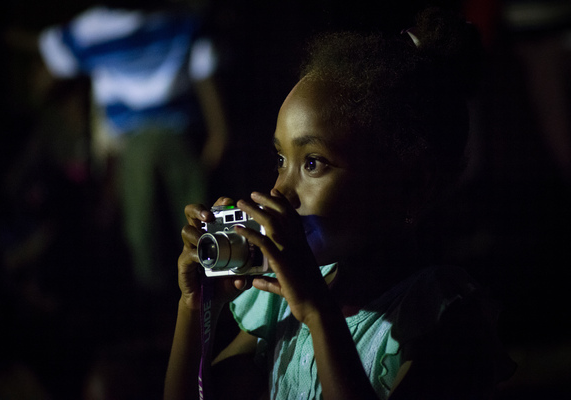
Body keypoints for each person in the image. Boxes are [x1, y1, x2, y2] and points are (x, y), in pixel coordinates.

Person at [164, 7, 515, 400]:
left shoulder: (440, 316)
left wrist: (318, 313)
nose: (280, 191)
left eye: (313, 163)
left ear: (411, 185)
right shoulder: (279, 301)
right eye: (281, 160)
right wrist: (193, 309)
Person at [37, 0, 229, 293]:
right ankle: (178, 295)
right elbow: (51, 69)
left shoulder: (179, 19)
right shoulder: (96, 29)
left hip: (171, 138)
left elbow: (205, 75)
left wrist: (218, 134)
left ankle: (181, 292)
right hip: (142, 142)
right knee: (169, 223)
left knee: (173, 224)